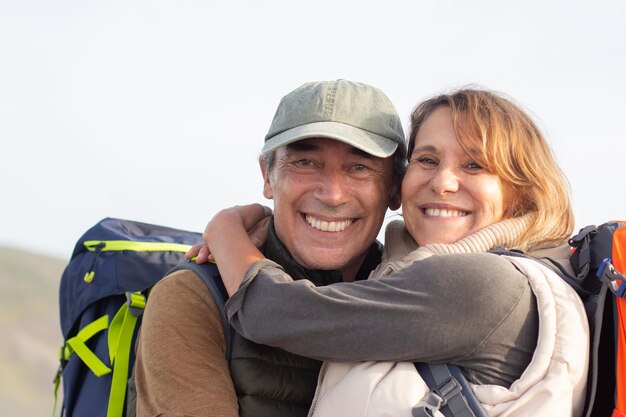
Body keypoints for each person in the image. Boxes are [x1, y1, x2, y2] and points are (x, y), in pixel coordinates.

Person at [201, 88, 590, 416]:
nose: (442, 183)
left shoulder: (485, 285)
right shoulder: (412, 274)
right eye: (427, 160)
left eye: (474, 165)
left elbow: (272, 312)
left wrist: (224, 228)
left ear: (521, 189)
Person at [132, 79, 407, 417]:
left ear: (395, 189)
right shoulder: (192, 297)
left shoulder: (414, 295)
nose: (332, 194)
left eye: (360, 168)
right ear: (267, 175)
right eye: (305, 162)